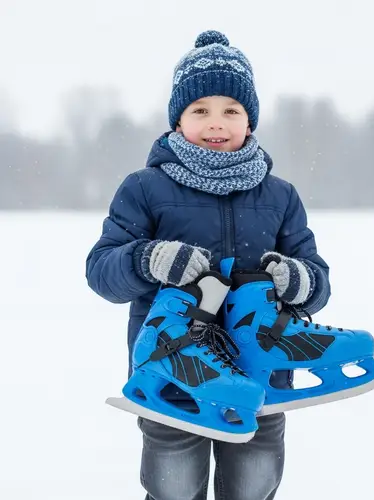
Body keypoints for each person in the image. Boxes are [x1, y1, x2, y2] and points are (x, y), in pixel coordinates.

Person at [86, 29, 331, 500]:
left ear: (250, 120)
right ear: (178, 120)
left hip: (261, 383)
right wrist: (149, 258)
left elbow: (317, 282)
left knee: (252, 490)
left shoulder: (279, 196)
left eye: (231, 110)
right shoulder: (144, 188)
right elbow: (102, 272)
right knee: (173, 492)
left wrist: (296, 279)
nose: (216, 123)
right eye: (200, 110)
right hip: (175, 382)